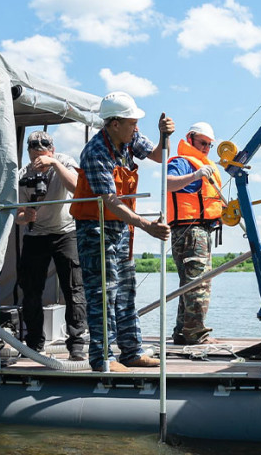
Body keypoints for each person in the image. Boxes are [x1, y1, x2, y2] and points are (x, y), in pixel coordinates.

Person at [69, 91, 173, 372]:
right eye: (132, 122)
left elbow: (158, 156)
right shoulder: (95, 152)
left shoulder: (129, 140)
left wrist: (164, 137)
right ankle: (102, 358)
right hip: (95, 229)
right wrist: (146, 225)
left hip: (122, 227)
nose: (136, 127)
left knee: (126, 291)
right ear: (114, 123)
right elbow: (110, 201)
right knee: (102, 292)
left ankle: (131, 352)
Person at [15, 130, 87, 361]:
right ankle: (34, 344)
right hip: (36, 234)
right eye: (33, 148)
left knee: (73, 289)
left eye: (43, 148)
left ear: (52, 149)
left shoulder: (64, 161)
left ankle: (76, 344)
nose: (38, 151)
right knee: (31, 292)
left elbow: (78, 188)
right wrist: (26, 216)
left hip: (66, 232)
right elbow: (16, 215)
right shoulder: (22, 174)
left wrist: (54, 164)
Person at [166, 122, 223, 345]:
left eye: (209, 145)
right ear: (190, 139)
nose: (206, 148)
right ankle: (196, 334)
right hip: (190, 231)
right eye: (202, 143)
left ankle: (183, 332)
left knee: (190, 283)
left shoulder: (203, 165)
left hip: (200, 230)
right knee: (199, 283)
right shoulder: (183, 163)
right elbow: (167, 183)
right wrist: (196, 174)